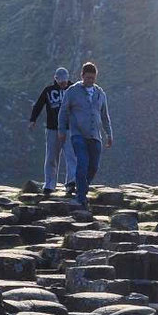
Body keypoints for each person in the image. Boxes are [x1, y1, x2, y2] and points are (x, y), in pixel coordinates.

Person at [59, 61, 113, 209]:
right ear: (82, 76)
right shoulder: (72, 91)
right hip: (78, 135)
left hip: (95, 136)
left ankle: (81, 186)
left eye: (93, 78)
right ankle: (81, 197)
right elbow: (63, 112)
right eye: (87, 78)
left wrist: (109, 134)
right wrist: (61, 130)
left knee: (93, 167)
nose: (90, 81)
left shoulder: (100, 93)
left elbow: (104, 115)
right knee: (82, 163)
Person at [29, 67, 74, 196]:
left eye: (65, 81)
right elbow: (38, 104)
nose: (63, 84)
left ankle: (71, 183)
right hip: (52, 129)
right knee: (51, 157)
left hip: (69, 129)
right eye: (61, 81)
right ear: (56, 79)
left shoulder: (73, 89)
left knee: (71, 156)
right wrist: (33, 119)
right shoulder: (48, 91)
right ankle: (49, 185)